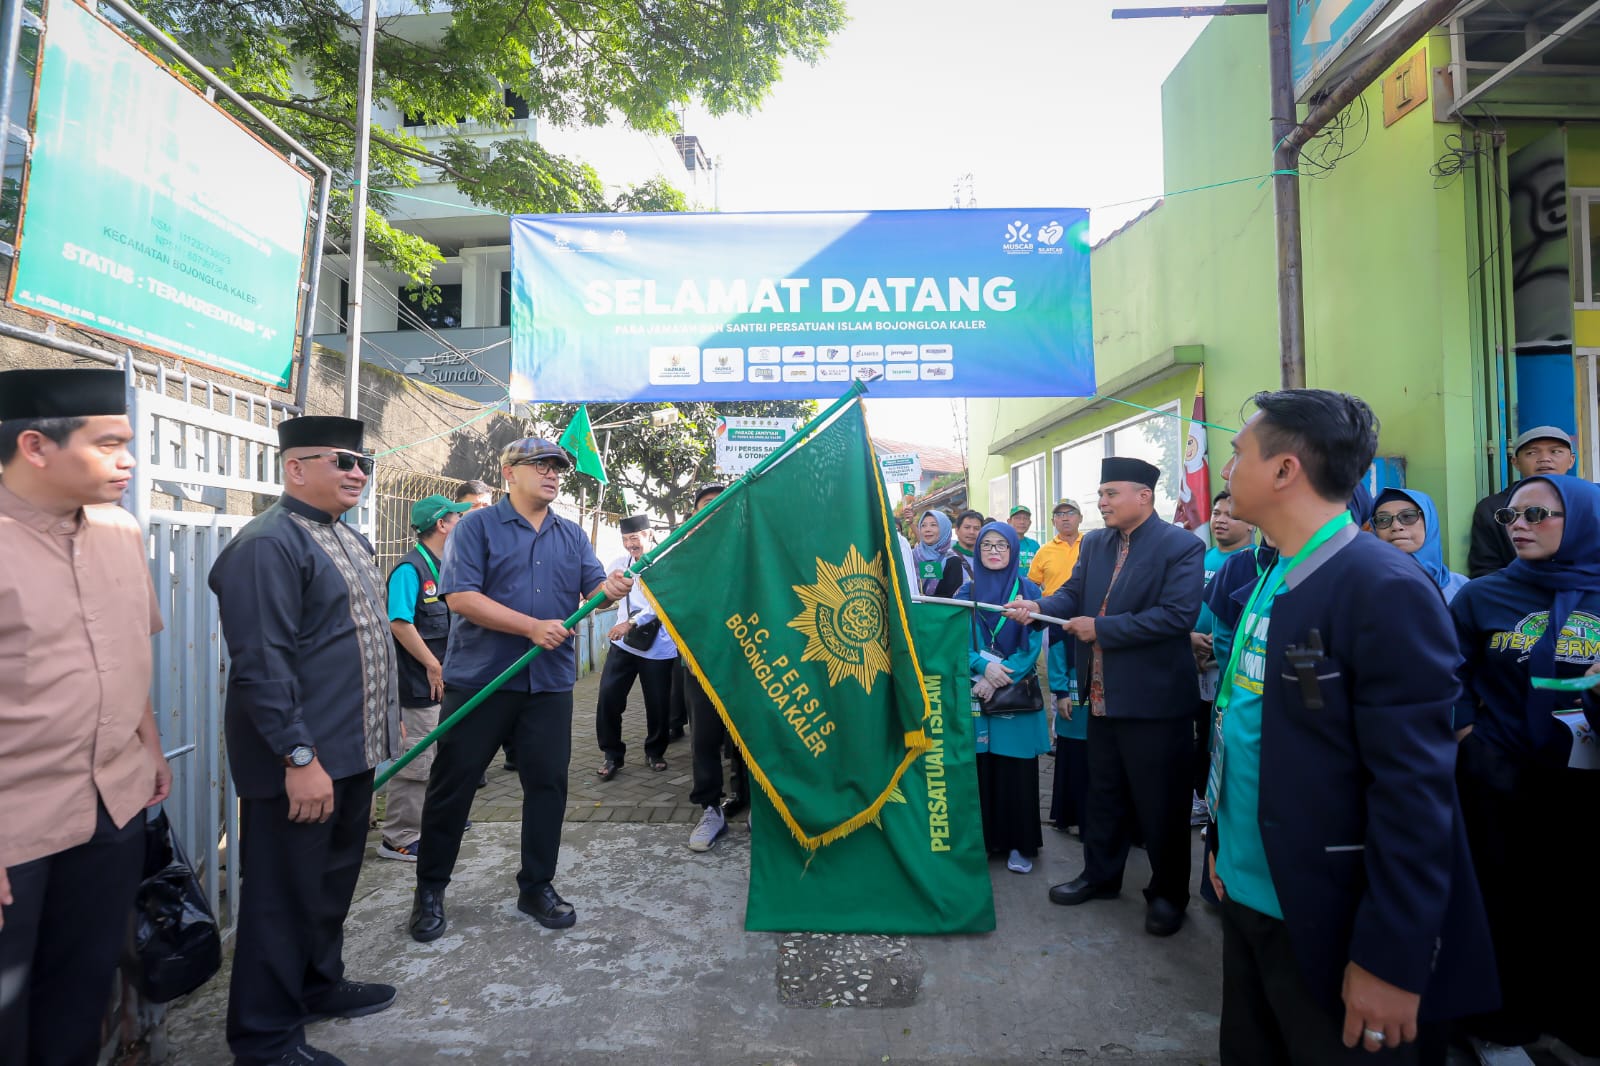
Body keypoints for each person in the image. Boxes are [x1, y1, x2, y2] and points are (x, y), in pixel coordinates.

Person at [1206, 389, 1495, 1065]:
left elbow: (1415, 792)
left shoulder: (1379, 585)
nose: (1225, 471)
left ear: (1284, 471)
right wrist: (1223, 837)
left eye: (1237, 453)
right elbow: (1244, 722)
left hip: (1330, 917)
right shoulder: (1276, 572)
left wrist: (1391, 959)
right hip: (1251, 890)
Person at [209, 415, 401, 1066]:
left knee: (329, 887)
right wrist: (298, 755)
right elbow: (262, 662)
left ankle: (318, 985)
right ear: (295, 468)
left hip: (350, 754)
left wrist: (384, 719)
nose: (357, 473)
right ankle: (264, 1040)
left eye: (364, 464)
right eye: (342, 460)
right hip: (302, 763)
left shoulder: (349, 539)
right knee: (280, 901)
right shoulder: (267, 544)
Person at [0, 368, 172, 1066]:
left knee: (80, 994)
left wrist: (151, 745)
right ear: (37, 447)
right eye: (109, 444)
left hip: (113, 806)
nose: (128, 460)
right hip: (17, 829)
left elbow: (131, 650)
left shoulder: (119, 531)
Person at [408, 438, 631, 942]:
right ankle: (429, 891)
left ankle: (537, 886)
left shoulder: (571, 535)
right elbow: (461, 597)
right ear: (509, 472)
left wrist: (608, 591)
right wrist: (531, 627)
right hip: (481, 682)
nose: (553, 474)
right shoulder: (476, 528)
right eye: (542, 465)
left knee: (548, 786)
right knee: (453, 786)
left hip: (548, 684)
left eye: (558, 468)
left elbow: (593, 594)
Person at [1005, 456, 1204, 937]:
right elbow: (1072, 595)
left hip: (1155, 703)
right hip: (1101, 695)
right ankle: (1101, 875)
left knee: (1161, 805)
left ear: (1144, 496)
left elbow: (1177, 617)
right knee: (1104, 795)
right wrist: (1038, 606)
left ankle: (1168, 895)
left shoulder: (1180, 546)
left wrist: (1103, 629)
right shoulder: (1095, 543)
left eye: (1111, 493)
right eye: (1100, 494)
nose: (1101, 502)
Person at [1452, 474, 1600, 1054]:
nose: (1519, 526)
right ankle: (1504, 1017)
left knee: (1584, 899)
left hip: (1590, 781)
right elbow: (1447, 671)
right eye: (1510, 517)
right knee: (1507, 901)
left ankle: (1582, 1015)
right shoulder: (1483, 596)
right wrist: (1469, 736)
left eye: (1537, 515)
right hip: (1502, 776)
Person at [378, 493, 472, 862]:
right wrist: (432, 664)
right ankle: (397, 837)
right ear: (441, 524)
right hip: (418, 684)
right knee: (415, 761)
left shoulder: (445, 564)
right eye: (456, 517)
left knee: (438, 755)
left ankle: (431, 819)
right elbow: (399, 622)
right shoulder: (409, 570)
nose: (461, 523)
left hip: (444, 683)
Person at [962, 521, 1049, 874]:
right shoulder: (963, 594)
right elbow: (953, 641)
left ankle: (1019, 844)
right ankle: (982, 842)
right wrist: (982, 667)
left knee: (1016, 773)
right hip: (975, 691)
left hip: (1014, 695)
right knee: (980, 771)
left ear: (1014, 550)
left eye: (1002, 545)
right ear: (977, 551)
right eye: (987, 545)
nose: (994, 551)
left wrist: (997, 676)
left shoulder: (1029, 591)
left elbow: (1031, 647)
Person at [683, 482, 751, 851]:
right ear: (694, 514)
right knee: (704, 741)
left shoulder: (751, 550)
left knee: (752, 737)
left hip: (749, 662)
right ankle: (710, 809)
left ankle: (759, 806)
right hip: (700, 664)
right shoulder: (682, 554)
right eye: (705, 504)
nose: (713, 508)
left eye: (721, 503)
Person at [595, 514, 678, 779]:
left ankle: (655, 751)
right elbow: (605, 593)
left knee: (658, 703)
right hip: (624, 645)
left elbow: (660, 603)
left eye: (635, 537)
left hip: (659, 647)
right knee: (608, 697)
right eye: (626, 539)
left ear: (649, 534)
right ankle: (612, 755)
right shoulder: (619, 564)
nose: (631, 544)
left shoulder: (665, 562)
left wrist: (630, 623)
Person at [1190, 491, 1254, 825]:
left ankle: (1209, 802)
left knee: (1216, 736)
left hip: (1225, 667)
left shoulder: (1253, 562)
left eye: (1231, 514)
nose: (1221, 520)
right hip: (1191, 659)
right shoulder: (1200, 558)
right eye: (1216, 513)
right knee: (1193, 733)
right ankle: (1196, 794)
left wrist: (1218, 650)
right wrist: (1189, 639)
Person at [1467, 426, 1575, 577]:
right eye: (1532, 452)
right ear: (1515, 462)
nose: (1544, 458)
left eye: (1555, 451)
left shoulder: (1590, 502)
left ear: (1571, 460)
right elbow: (1485, 570)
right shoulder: (1494, 508)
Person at [1371, 488, 1468, 603]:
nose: (1396, 526)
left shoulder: (1461, 587)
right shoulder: (1365, 587)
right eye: (1383, 519)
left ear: (1429, 522)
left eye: (1407, 516)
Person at [1028, 498, 1084, 596]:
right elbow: (1031, 586)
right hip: (1052, 609)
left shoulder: (1091, 545)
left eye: (1071, 513)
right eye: (1059, 514)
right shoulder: (1044, 551)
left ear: (1080, 518)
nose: (1065, 518)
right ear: (1053, 522)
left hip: (1085, 609)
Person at [912, 509, 964, 597]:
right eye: (923, 525)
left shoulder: (952, 560)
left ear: (944, 528)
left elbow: (952, 598)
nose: (927, 529)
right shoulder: (913, 555)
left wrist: (925, 599)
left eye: (933, 525)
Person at [1008, 504, 1041, 573]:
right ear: (1009, 521)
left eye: (1025, 518)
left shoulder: (1034, 545)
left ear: (1030, 523)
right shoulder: (1003, 544)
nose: (1022, 522)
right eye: (1017, 518)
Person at [952, 508, 983, 578]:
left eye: (976, 528)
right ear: (957, 530)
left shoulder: (986, 557)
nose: (971, 532)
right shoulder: (948, 558)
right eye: (967, 527)